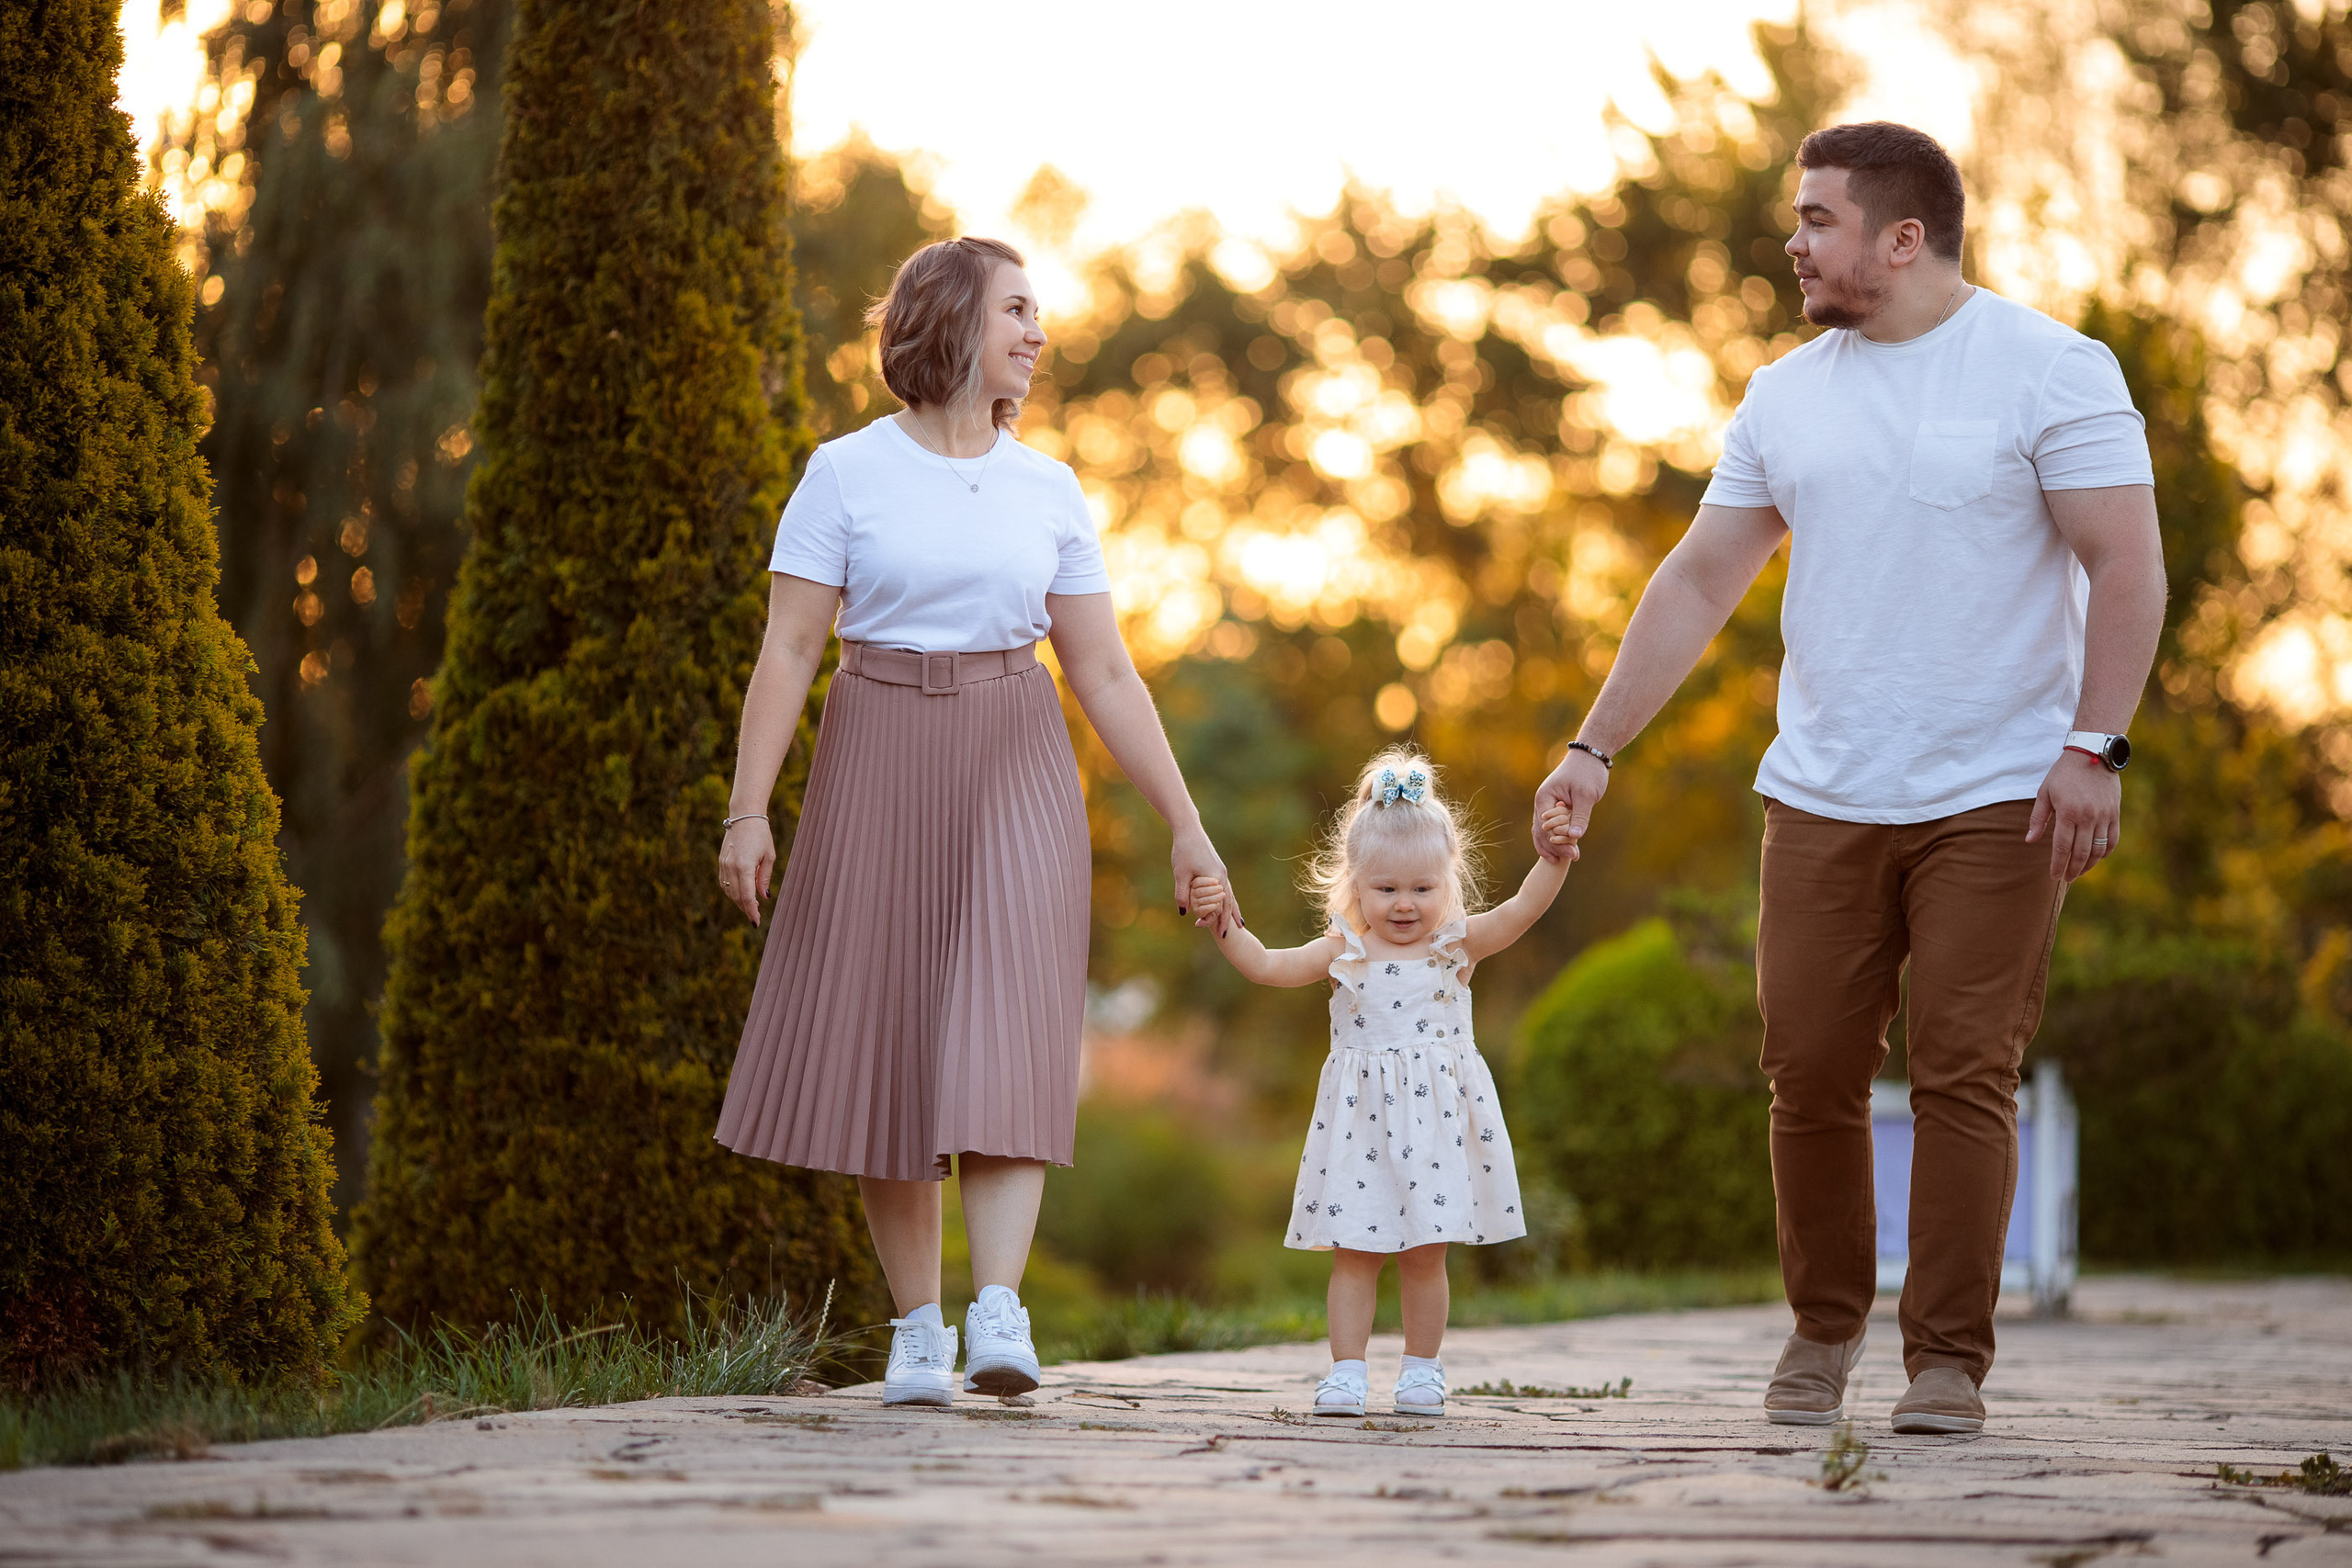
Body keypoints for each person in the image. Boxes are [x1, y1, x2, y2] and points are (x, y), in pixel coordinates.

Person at [1531, 122, 2165, 1435]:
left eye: (1815, 218)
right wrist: (1593, 746)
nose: (1793, 241)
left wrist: (2095, 743)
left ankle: (1945, 1359)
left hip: (2001, 783)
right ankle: (1824, 1330)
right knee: (1808, 1067)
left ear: (1902, 235)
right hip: (1821, 787)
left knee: (1962, 1067)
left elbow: (2128, 565)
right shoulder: (1787, 392)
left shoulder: (2051, 368)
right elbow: (1702, 576)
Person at [712, 237, 1235, 1408]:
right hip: (876, 750)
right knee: (889, 1046)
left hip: (1018, 753)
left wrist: (1186, 824)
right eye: (1017, 310)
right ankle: (915, 1328)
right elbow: (791, 646)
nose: (1038, 334)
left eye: (1037, 313)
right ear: (947, 322)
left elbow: (1102, 671)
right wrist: (748, 810)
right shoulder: (843, 474)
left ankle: (999, 1308)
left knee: (1008, 1027)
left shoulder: (1047, 487)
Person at [1188, 752, 1575, 1419]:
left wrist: (1556, 856)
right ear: (1355, 885)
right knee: (1356, 1257)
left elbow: (1521, 909)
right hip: (1361, 1131)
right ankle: (1345, 1372)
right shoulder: (1345, 950)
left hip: (1433, 1133)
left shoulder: (1456, 947)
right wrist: (1222, 917)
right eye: (1386, 888)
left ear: (1447, 882)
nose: (1404, 903)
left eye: (1422, 888)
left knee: (1426, 1256)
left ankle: (1423, 1370)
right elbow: (1266, 964)